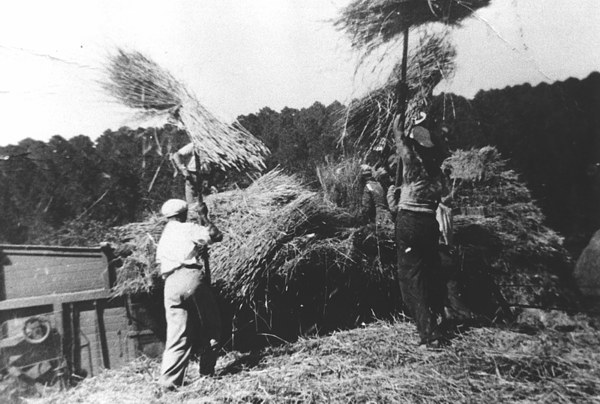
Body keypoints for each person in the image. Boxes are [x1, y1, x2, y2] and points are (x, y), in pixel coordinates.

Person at [391, 113, 451, 347]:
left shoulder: (411, 164)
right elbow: (448, 198)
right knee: (430, 272)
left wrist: (399, 123)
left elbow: (399, 137)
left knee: (410, 280)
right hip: (429, 224)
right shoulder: (438, 174)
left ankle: (429, 334)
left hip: (409, 222)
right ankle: (443, 314)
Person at [156, 199, 223, 390]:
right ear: (183, 214)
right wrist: (204, 216)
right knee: (212, 325)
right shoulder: (187, 228)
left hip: (170, 284)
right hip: (189, 276)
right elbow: (216, 235)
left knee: (177, 334)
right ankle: (207, 374)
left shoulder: (164, 236)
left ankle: (168, 383)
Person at [171, 143, 212, 207]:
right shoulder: (194, 145)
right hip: (193, 173)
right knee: (191, 197)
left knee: (204, 198)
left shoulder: (213, 144)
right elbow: (176, 155)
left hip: (206, 174)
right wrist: (183, 169)